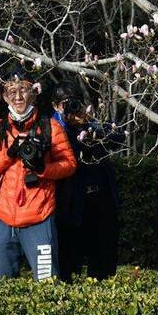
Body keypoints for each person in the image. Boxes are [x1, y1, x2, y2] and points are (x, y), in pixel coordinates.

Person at [0, 65, 77, 281]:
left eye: (23, 89)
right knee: (4, 285)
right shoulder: (0, 128)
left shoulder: (50, 126)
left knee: (46, 283)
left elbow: (69, 164)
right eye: (11, 91)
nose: (18, 96)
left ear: (33, 92)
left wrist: (43, 169)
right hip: (3, 215)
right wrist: (9, 153)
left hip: (38, 214)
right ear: (4, 97)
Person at [51, 84, 122, 281]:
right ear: (56, 106)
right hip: (72, 202)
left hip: (101, 198)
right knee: (68, 261)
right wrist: (67, 123)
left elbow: (118, 137)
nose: (73, 108)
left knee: (103, 259)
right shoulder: (54, 128)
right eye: (67, 104)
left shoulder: (91, 126)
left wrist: (90, 122)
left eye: (76, 103)